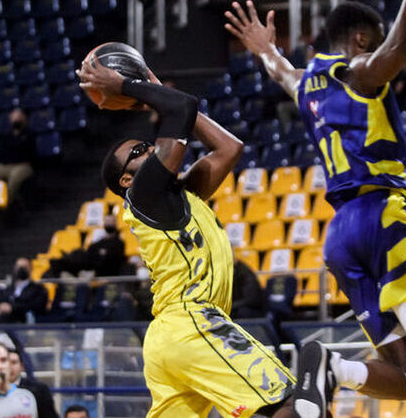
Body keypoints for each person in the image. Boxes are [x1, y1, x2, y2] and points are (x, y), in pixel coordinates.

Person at [224, 0, 406, 418]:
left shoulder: (309, 87)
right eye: (370, 43)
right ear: (358, 40)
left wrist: (266, 49)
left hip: (340, 237)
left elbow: (281, 71)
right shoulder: (360, 74)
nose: (377, 52)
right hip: (384, 217)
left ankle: (331, 367)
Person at [78, 51, 302, 417]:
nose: (148, 147)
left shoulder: (183, 195)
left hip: (171, 339)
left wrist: (145, 89)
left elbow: (230, 148)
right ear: (126, 179)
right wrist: (133, 87)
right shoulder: (142, 193)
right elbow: (182, 106)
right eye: (137, 151)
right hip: (191, 323)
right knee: (288, 405)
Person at [0, 108, 37, 205]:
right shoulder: (6, 135)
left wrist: (14, 150)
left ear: (24, 118)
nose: (16, 120)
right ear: (10, 119)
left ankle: (6, 203)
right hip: (6, 165)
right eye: (14, 117)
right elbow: (1, 153)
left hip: (24, 165)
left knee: (14, 177)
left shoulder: (29, 134)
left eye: (19, 117)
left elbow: (27, 154)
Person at [7, 347, 60, 418]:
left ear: (22, 366)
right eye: (5, 362)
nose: (10, 367)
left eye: (14, 362)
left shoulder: (39, 390)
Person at [0, 258, 48, 323]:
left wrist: (12, 308)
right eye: (19, 267)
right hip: (6, 322)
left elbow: (36, 306)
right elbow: (0, 303)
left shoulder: (38, 289)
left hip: (25, 323)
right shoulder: (8, 289)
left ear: (30, 269)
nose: (21, 270)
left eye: (24, 267)